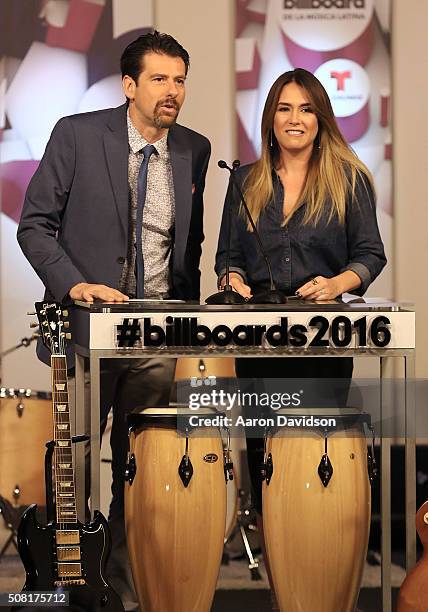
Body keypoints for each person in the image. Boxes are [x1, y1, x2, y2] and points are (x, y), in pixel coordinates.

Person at [17, 31, 211, 611]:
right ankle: (69, 585)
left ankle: (121, 588)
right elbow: (34, 226)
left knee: (141, 470)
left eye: (179, 79)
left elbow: (189, 245)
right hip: (84, 335)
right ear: (129, 85)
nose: (172, 91)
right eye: (159, 79)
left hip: (155, 337)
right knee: (74, 461)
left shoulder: (195, 148)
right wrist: (74, 284)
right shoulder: (76, 135)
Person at [215, 68, 386, 611]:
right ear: (270, 118)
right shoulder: (245, 180)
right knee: (267, 462)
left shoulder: (349, 177)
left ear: (321, 118)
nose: (295, 119)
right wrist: (232, 279)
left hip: (322, 342)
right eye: (285, 109)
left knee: (315, 462)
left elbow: (371, 254)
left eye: (306, 109)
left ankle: (323, 581)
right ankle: (284, 589)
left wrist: (338, 283)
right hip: (258, 343)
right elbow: (226, 256)